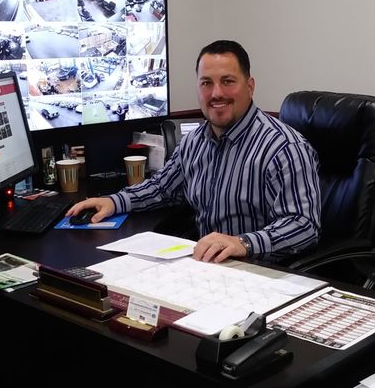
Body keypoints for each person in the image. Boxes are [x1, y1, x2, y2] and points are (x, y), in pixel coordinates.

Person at [66, 40, 321, 263]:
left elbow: (303, 225)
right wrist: (114, 201)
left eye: (228, 81)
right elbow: (162, 188)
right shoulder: (194, 142)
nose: (216, 93)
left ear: (250, 86)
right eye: (206, 83)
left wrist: (242, 243)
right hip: (206, 266)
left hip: (261, 273)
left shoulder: (284, 148)